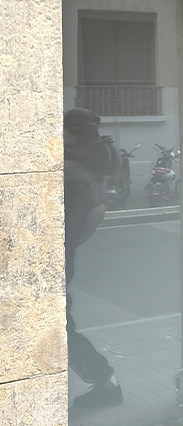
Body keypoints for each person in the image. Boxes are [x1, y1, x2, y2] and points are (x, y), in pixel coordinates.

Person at [63, 107, 124, 408]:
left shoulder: (72, 174)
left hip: (56, 260)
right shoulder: (91, 161)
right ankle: (105, 383)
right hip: (67, 256)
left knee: (59, 329)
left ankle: (106, 384)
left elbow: (63, 231)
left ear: (70, 134)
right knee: (61, 326)